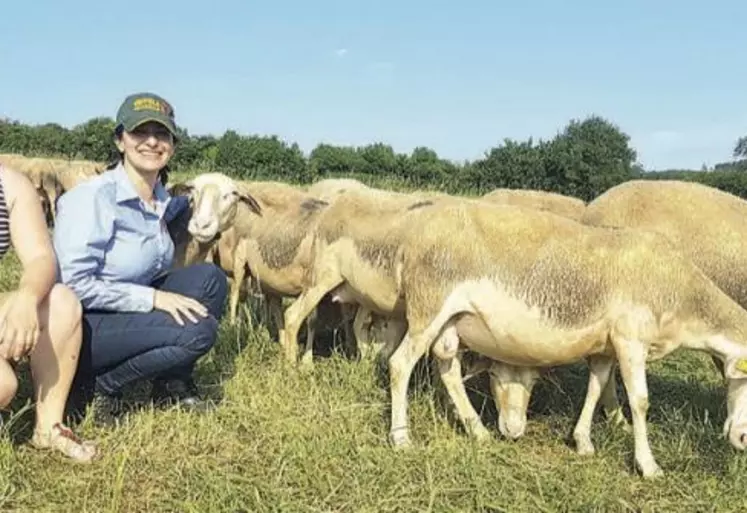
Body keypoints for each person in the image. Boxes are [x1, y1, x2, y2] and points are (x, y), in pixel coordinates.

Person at [53, 92, 228, 426]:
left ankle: (170, 382)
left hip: (125, 310)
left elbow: (200, 211)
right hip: (84, 324)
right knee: (199, 331)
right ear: (120, 141)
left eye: (162, 134)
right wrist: (154, 298)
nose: (151, 142)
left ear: (173, 145)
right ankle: (101, 385)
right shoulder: (91, 200)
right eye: (139, 133)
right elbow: (72, 286)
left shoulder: (161, 200)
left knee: (211, 279)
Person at [0, 162, 96, 462]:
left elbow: (41, 257)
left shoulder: (10, 185)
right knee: (4, 386)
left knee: (61, 301)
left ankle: (48, 428)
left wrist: (27, 299)